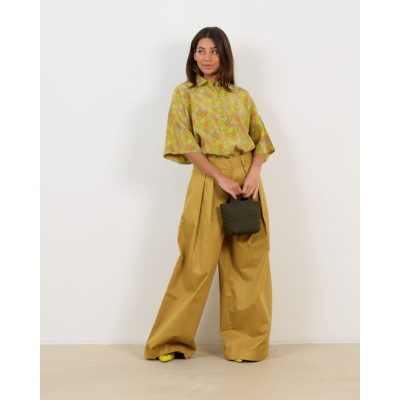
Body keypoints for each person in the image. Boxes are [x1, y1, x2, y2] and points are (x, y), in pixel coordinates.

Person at [144, 27, 275, 363]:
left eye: (213, 51)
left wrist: (254, 172)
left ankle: (246, 345)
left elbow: (260, 139)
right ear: (193, 55)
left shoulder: (241, 96)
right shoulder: (184, 93)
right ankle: (170, 341)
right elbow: (184, 144)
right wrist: (220, 177)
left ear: (224, 55)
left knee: (248, 263)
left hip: (246, 180)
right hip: (208, 177)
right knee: (196, 262)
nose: (206, 57)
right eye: (200, 51)